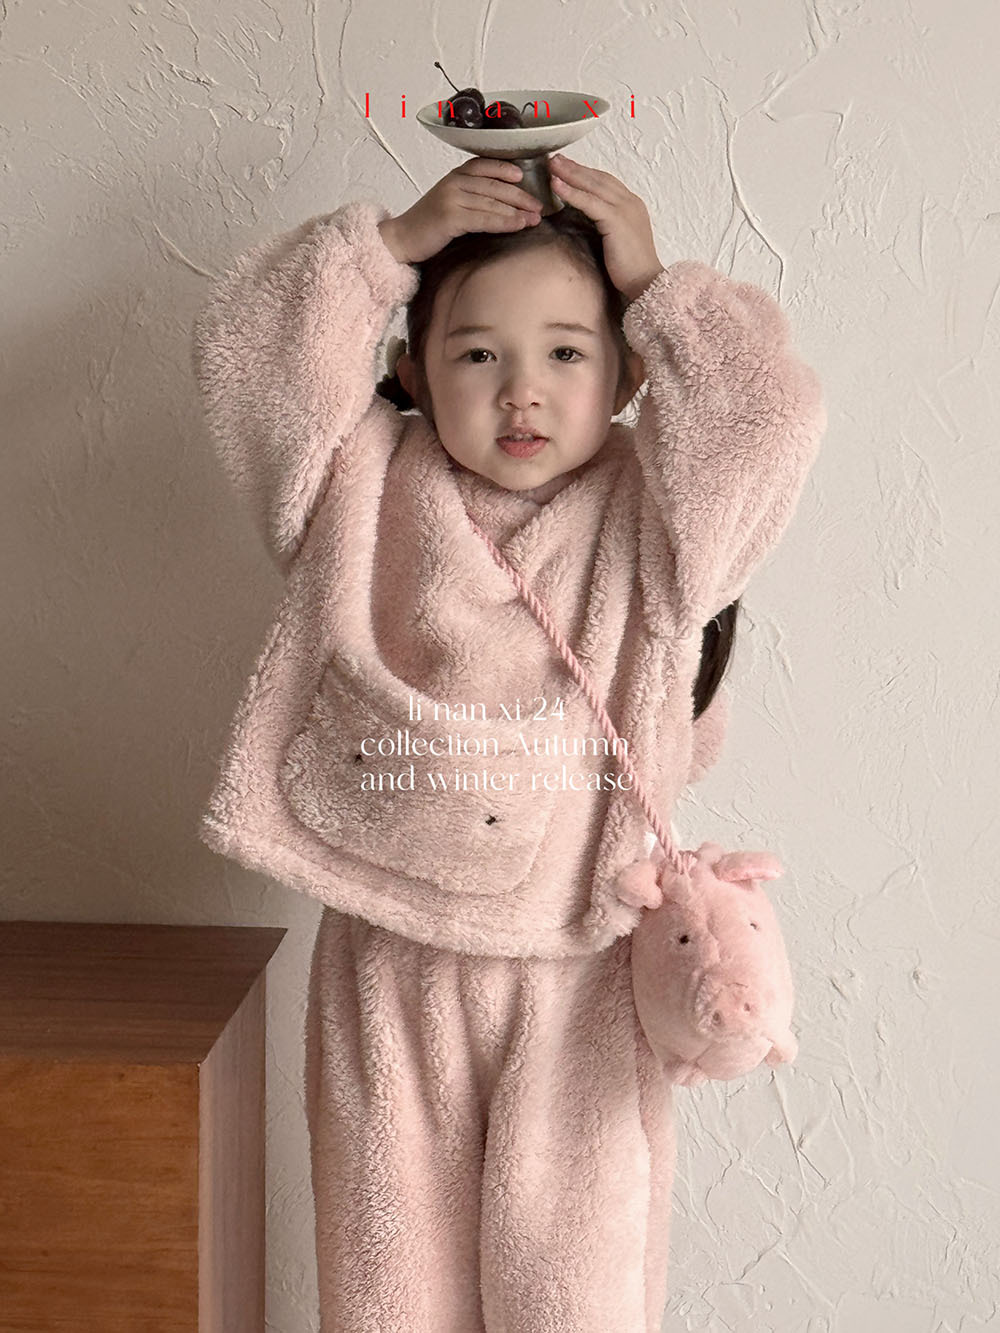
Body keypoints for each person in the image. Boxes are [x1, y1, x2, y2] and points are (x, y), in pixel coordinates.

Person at [190, 154, 826, 1332]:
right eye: (478, 354)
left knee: (572, 1296)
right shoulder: (355, 490)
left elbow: (767, 420)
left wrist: (658, 286)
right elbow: (253, 359)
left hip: (580, 967)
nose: (522, 391)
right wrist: (384, 248)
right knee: (388, 1289)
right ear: (410, 370)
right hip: (389, 956)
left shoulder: (664, 521)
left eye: (568, 353)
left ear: (630, 371)